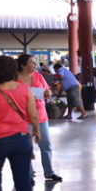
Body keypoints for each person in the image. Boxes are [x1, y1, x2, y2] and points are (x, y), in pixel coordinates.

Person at [0, 56, 41, 191]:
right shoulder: (24, 89)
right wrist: (37, 131)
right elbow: (33, 114)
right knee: (23, 181)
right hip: (22, 138)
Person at [17, 54, 62, 183]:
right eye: (32, 62)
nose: (35, 65)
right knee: (26, 148)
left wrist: (48, 93)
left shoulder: (38, 76)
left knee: (46, 145)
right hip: (22, 118)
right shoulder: (14, 79)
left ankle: (49, 172)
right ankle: (29, 175)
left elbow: (47, 91)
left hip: (40, 116)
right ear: (23, 65)